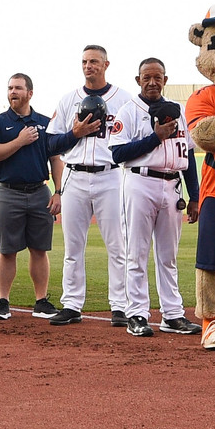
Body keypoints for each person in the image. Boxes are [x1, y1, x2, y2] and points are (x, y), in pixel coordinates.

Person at [0, 73, 98, 320]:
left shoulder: (45, 123)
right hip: (8, 191)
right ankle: (3, 301)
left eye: (18, 88)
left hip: (39, 191)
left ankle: (41, 301)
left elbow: (56, 158)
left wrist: (58, 192)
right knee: (7, 250)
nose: (13, 92)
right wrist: (19, 141)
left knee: (39, 249)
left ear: (30, 93)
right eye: (10, 88)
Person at [108, 58, 202, 337]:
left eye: (157, 77)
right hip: (140, 181)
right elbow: (117, 153)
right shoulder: (128, 111)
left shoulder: (178, 111)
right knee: (136, 253)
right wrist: (155, 137)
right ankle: (136, 314)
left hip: (172, 184)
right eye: (146, 77)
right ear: (138, 80)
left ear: (165, 80)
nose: (152, 82)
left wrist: (194, 195)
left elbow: (188, 153)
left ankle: (172, 315)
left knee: (168, 256)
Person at [47, 45, 133, 326]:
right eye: (84, 61)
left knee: (117, 245)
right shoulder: (68, 99)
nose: (88, 66)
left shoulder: (124, 100)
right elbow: (51, 143)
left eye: (94, 61)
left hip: (110, 175)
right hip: (75, 175)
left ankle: (120, 306)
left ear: (106, 64)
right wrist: (75, 133)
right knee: (73, 246)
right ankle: (72, 305)